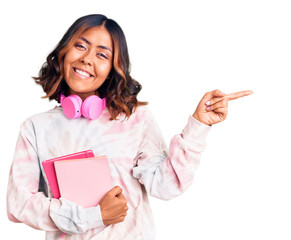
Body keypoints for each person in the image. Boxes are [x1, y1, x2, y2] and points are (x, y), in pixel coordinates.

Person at [6, 14, 253, 240]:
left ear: (114, 68)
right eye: (80, 46)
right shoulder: (35, 128)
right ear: (63, 52)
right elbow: (20, 204)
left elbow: (167, 186)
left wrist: (198, 126)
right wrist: (95, 216)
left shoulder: (135, 119)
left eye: (102, 55)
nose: (87, 59)